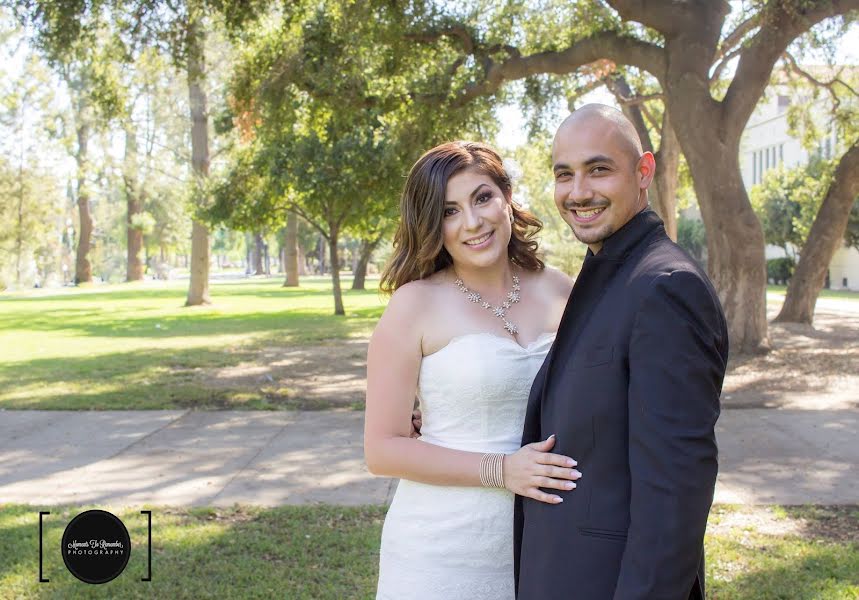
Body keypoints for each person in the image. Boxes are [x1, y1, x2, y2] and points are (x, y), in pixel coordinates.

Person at [514, 104, 729, 599]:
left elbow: (675, 495)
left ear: (644, 171)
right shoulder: (609, 275)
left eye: (599, 169)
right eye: (563, 175)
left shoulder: (665, 288)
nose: (578, 192)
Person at [364, 141, 579, 600]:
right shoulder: (414, 305)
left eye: (482, 198)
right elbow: (381, 449)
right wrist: (502, 470)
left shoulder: (561, 289)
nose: (473, 222)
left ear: (506, 197)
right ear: (432, 225)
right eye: (449, 211)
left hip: (546, 543)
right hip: (439, 553)